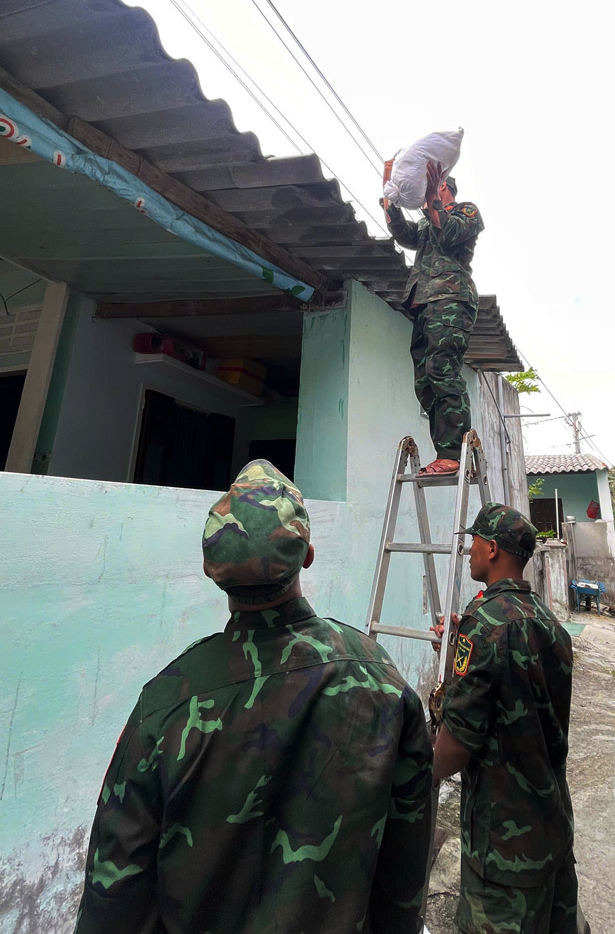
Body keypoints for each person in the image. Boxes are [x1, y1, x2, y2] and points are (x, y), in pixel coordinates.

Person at [74, 459, 434, 934]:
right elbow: (405, 866)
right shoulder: (381, 679)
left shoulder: (164, 705)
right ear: (307, 553)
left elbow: (114, 896)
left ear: (212, 568)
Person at [432, 502, 578, 934]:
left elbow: (458, 743)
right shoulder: (551, 624)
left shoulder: (486, 622)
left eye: (474, 541)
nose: (470, 550)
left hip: (503, 854)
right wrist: (462, 645)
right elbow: (519, 689)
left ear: (492, 549)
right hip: (552, 829)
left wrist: (417, 777)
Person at [381, 161, 484, 477]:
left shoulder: (466, 213)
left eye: (433, 185)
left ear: (444, 187)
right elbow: (402, 233)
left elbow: (449, 232)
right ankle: (445, 451)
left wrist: (431, 201)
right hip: (425, 303)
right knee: (425, 381)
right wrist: (388, 194)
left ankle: (452, 454)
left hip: (451, 300)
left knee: (442, 368)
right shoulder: (427, 225)